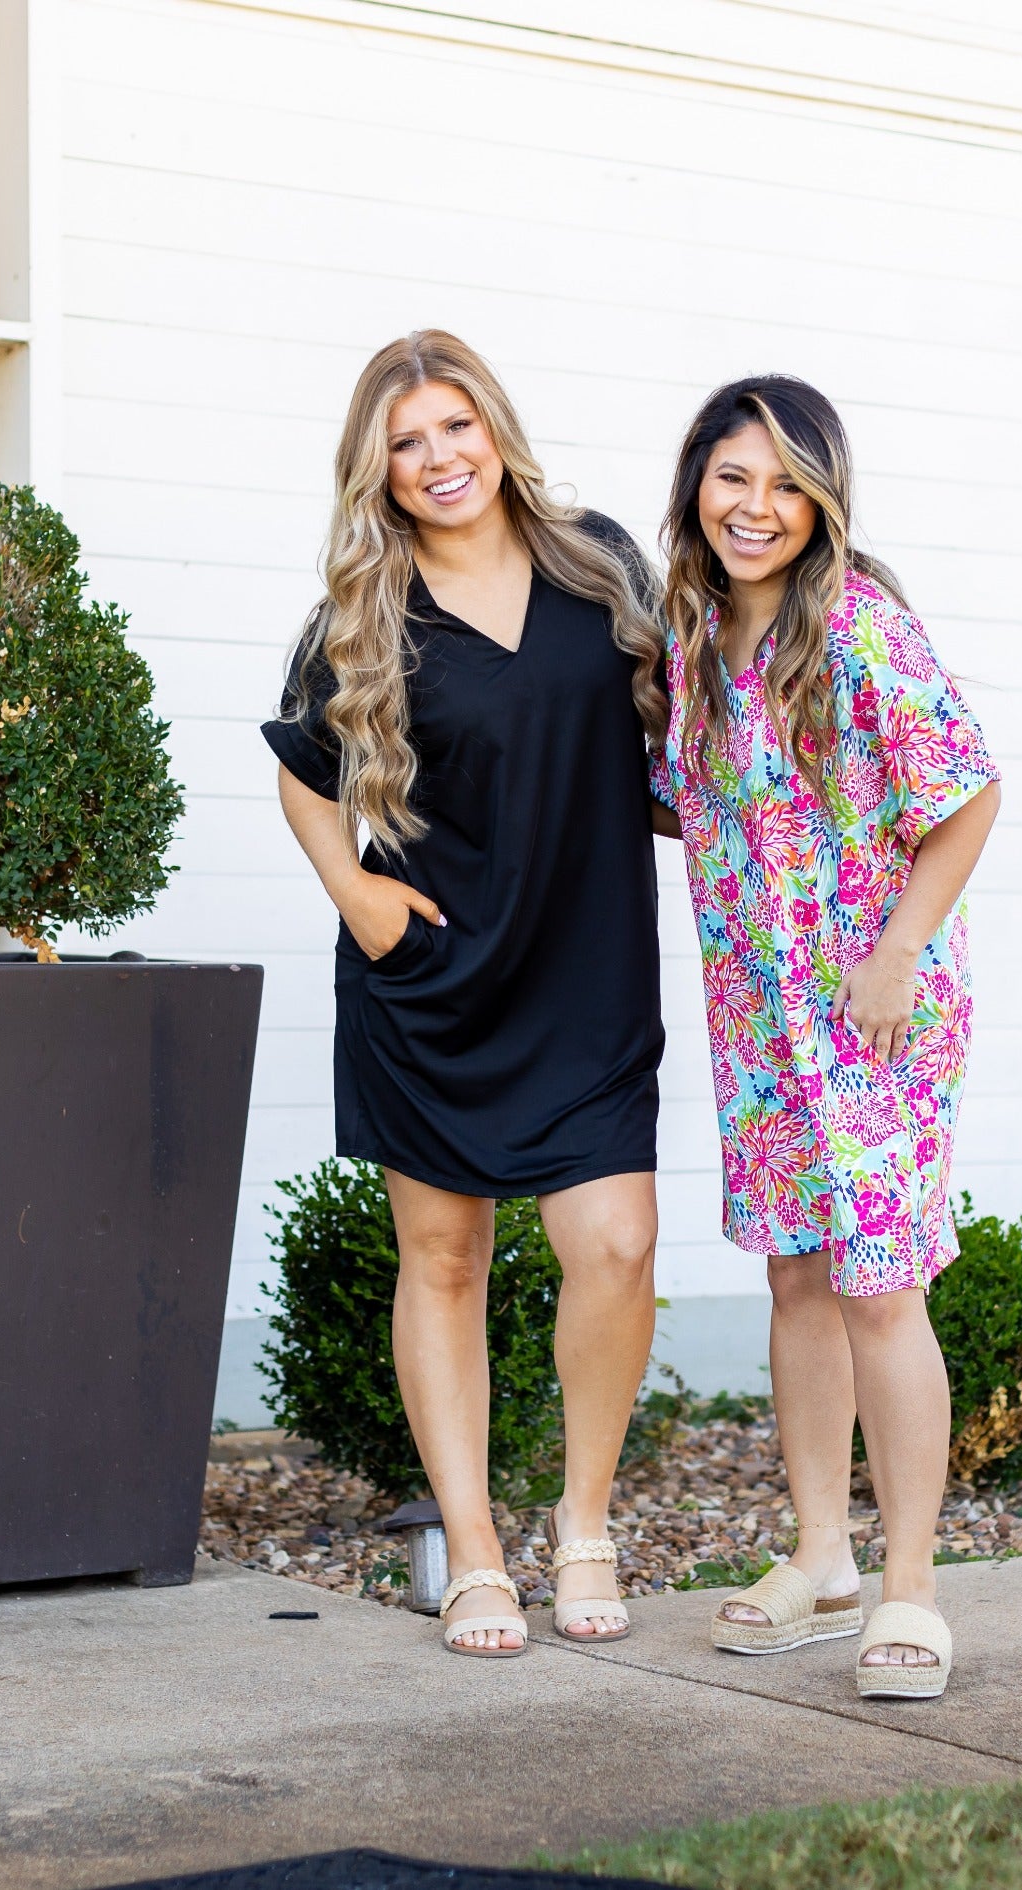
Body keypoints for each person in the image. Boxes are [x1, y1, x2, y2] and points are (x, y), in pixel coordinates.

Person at [263, 331, 668, 1657]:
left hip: (587, 971)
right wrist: (359, 896)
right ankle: (475, 1549)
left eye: (456, 426)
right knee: (444, 1259)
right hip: (432, 978)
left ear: (496, 429)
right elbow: (303, 773)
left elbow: (678, 730)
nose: (439, 458)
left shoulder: (598, 563)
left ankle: (585, 1523)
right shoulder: (363, 611)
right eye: (407, 442)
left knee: (615, 1243)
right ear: (376, 468)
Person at [650, 375, 1001, 1699]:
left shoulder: (861, 624)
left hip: (876, 1010)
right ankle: (822, 1558)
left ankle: (909, 1583)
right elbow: (697, 805)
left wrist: (897, 952)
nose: (757, 507)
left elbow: (967, 794)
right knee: (797, 1279)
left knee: (880, 1287)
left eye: (788, 485)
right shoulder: (692, 640)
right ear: (697, 484)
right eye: (734, 477)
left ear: (824, 501)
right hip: (760, 1015)